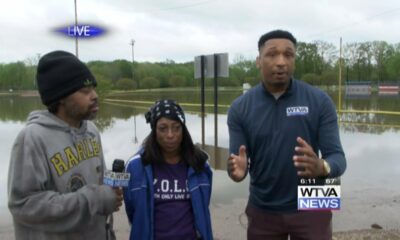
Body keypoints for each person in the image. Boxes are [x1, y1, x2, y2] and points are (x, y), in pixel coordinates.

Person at [227, 30, 346, 240]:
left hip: (315, 196)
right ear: (258, 61)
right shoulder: (239, 108)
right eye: (272, 54)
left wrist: (322, 167)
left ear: (294, 61)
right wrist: (238, 171)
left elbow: (338, 158)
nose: (281, 62)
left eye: (288, 55)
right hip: (263, 203)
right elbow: (238, 164)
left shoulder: (320, 101)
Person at [7, 50, 123, 240]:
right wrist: (94, 200)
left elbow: (98, 182)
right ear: (61, 96)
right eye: (85, 91)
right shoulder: (32, 138)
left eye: (93, 88)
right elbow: (23, 205)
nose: (94, 95)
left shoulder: (91, 130)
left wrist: (112, 187)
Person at [123, 99, 213, 240]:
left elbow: (202, 206)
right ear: (154, 129)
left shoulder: (200, 164)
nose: (170, 135)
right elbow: (132, 211)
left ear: (183, 129)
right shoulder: (135, 167)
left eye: (176, 127)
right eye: (163, 128)